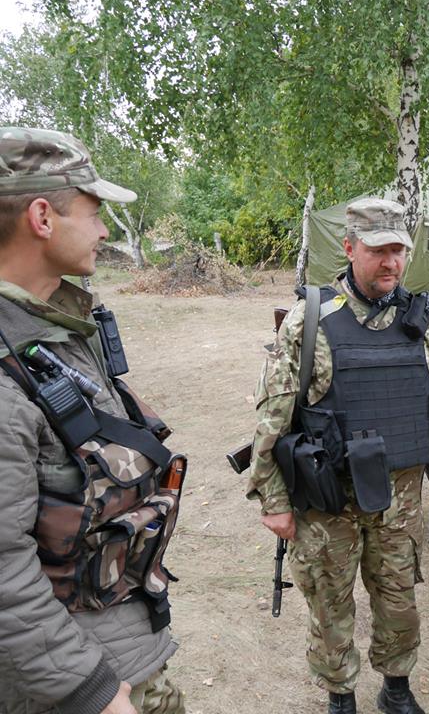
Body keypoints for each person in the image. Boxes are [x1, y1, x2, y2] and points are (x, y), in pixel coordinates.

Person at [246, 198, 429, 714]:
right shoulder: (310, 320)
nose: (391, 262)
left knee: (399, 599)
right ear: (349, 248)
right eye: (378, 250)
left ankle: (396, 688)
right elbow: (272, 417)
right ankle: (340, 695)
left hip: (399, 499)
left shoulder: (421, 322)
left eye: (399, 251)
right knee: (330, 603)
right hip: (329, 500)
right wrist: (273, 500)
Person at [0, 127, 185, 714]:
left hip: (117, 635)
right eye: (94, 211)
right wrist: (89, 689)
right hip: (75, 679)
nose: (104, 231)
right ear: (42, 217)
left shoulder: (51, 322)